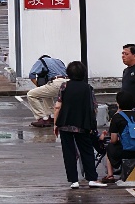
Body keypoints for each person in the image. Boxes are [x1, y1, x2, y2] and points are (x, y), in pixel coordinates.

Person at [53, 60, 106, 189]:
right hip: (83, 124)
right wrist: (92, 124)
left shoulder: (64, 86)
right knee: (87, 151)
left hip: (65, 123)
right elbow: (94, 107)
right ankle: (92, 178)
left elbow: (58, 106)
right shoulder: (88, 88)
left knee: (69, 152)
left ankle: (73, 181)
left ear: (68, 73)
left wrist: (55, 124)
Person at [102, 90, 135, 184]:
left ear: (118, 103)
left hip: (125, 152)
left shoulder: (117, 117)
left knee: (109, 147)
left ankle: (110, 175)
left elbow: (113, 140)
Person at [27, 54, 69, 127]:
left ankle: (42, 118)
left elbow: (32, 75)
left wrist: (38, 86)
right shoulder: (58, 61)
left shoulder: (41, 61)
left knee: (31, 95)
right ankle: (52, 116)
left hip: (56, 82)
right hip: (67, 82)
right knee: (45, 94)